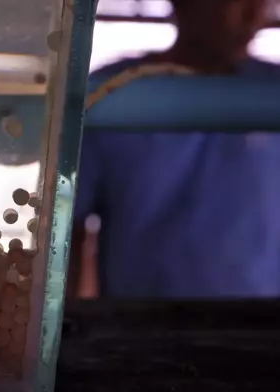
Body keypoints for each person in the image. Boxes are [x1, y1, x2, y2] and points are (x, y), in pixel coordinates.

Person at [70, 0, 280, 298]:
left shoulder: (271, 91)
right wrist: (66, 330)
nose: (252, 12)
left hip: (262, 330)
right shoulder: (113, 92)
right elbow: (66, 230)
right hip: (139, 329)